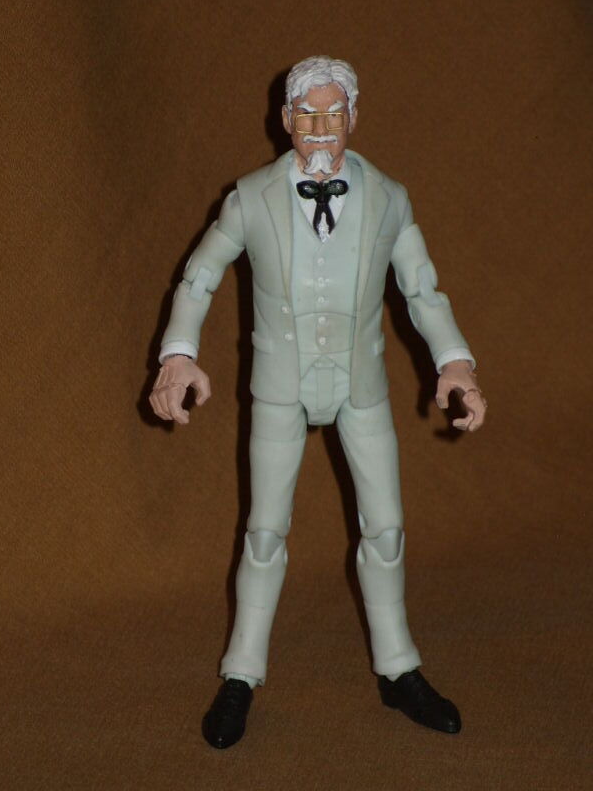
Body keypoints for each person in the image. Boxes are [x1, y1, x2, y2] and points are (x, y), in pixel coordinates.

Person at [149, 55, 486, 749]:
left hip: (362, 387)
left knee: (386, 528)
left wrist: (455, 363)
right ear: (285, 120)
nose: (322, 127)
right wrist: (178, 354)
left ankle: (398, 668)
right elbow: (199, 276)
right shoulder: (250, 199)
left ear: (354, 117)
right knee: (265, 532)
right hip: (280, 387)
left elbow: (422, 290)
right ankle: (241, 673)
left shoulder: (389, 198)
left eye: (335, 113)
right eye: (308, 114)